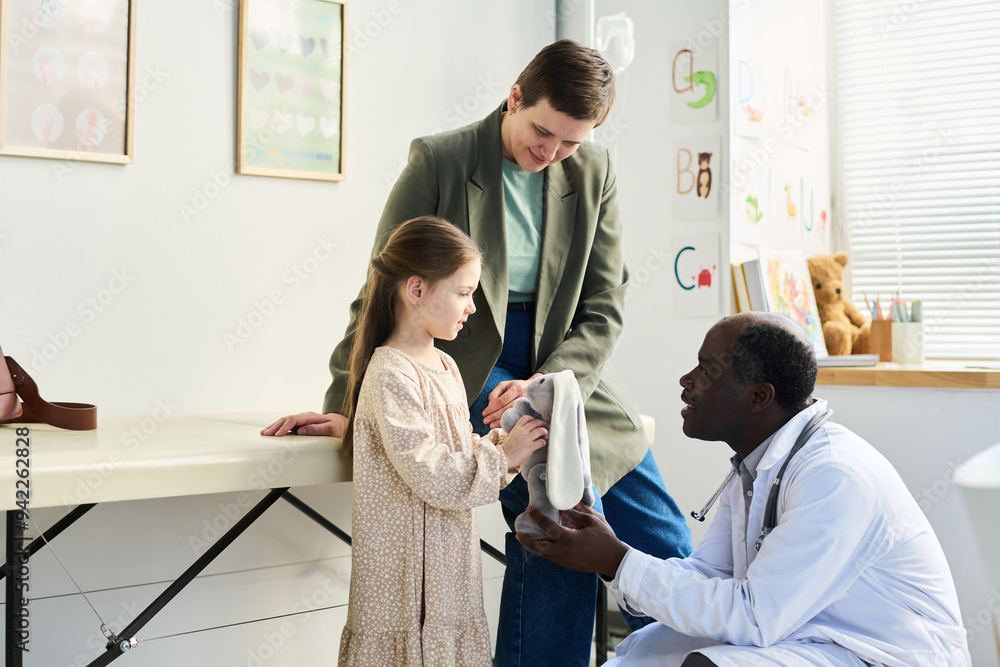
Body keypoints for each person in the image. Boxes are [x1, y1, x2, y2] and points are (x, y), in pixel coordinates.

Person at [263, 40, 692, 665]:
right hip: (462, 358)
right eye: (543, 132)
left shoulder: (595, 174)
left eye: (571, 143)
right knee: (558, 510)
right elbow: (384, 285)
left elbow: (604, 302)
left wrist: (552, 381)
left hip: (566, 364)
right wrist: (356, 409)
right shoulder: (441, 160)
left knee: (665, 537)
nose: (551, 154)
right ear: (515, 98)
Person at [517, 313, 971, 667]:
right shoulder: (761, 464)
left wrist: (616, 559)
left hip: (883, 655)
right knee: (647, 650)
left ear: (759, 396)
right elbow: (711, 578)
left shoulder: (833, 476)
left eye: (707, 371)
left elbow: (754, 618)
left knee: (708, 664)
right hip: (815, 636)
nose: (686, 381)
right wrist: (610, 557)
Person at [333, 216, 548, 666]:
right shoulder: (390, 373)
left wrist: (502, 442)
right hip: (402, 589)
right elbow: (429, 472)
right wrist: (503, 456)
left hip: (448, 579)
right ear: (416, 290)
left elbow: (455, 446)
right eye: (464, 293)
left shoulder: (446, 367)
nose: (472, 308)